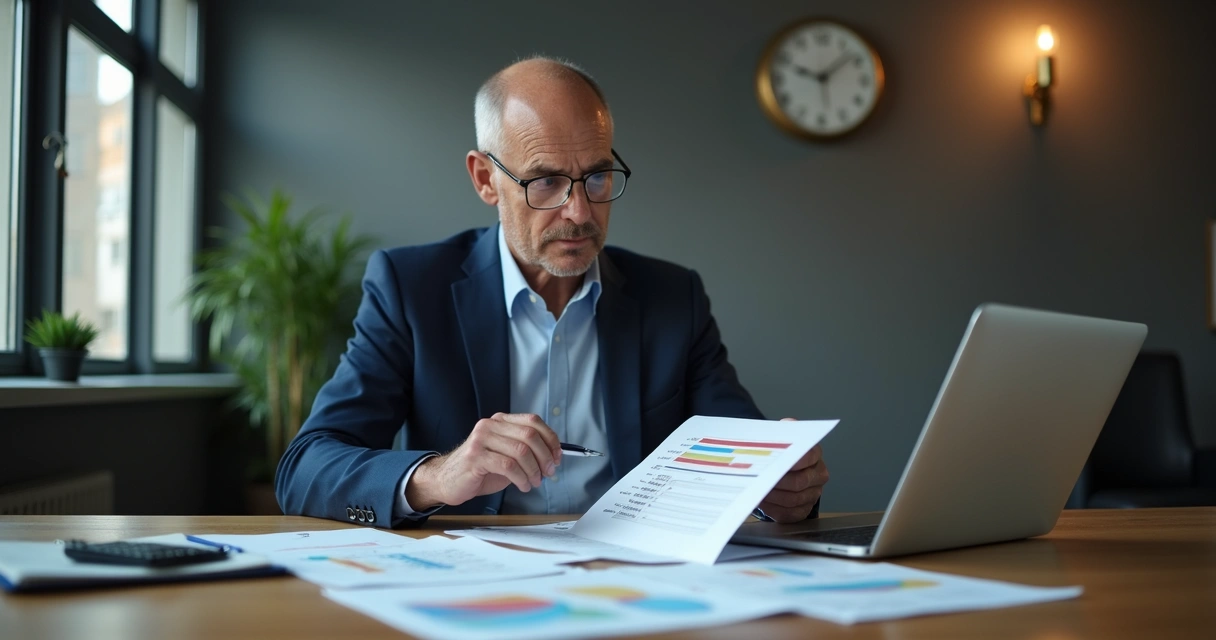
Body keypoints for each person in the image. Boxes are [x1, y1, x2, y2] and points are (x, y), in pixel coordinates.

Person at [275, 57, 828, 528]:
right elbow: (304, 468)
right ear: (485, 179)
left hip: (638, 585)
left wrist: (781, 488)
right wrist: (441, 475)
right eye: (545, 181)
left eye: (598, 176)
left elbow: (747, 461)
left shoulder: (672, 297)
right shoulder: (411, 288)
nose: (580, 211)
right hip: (473, 590)